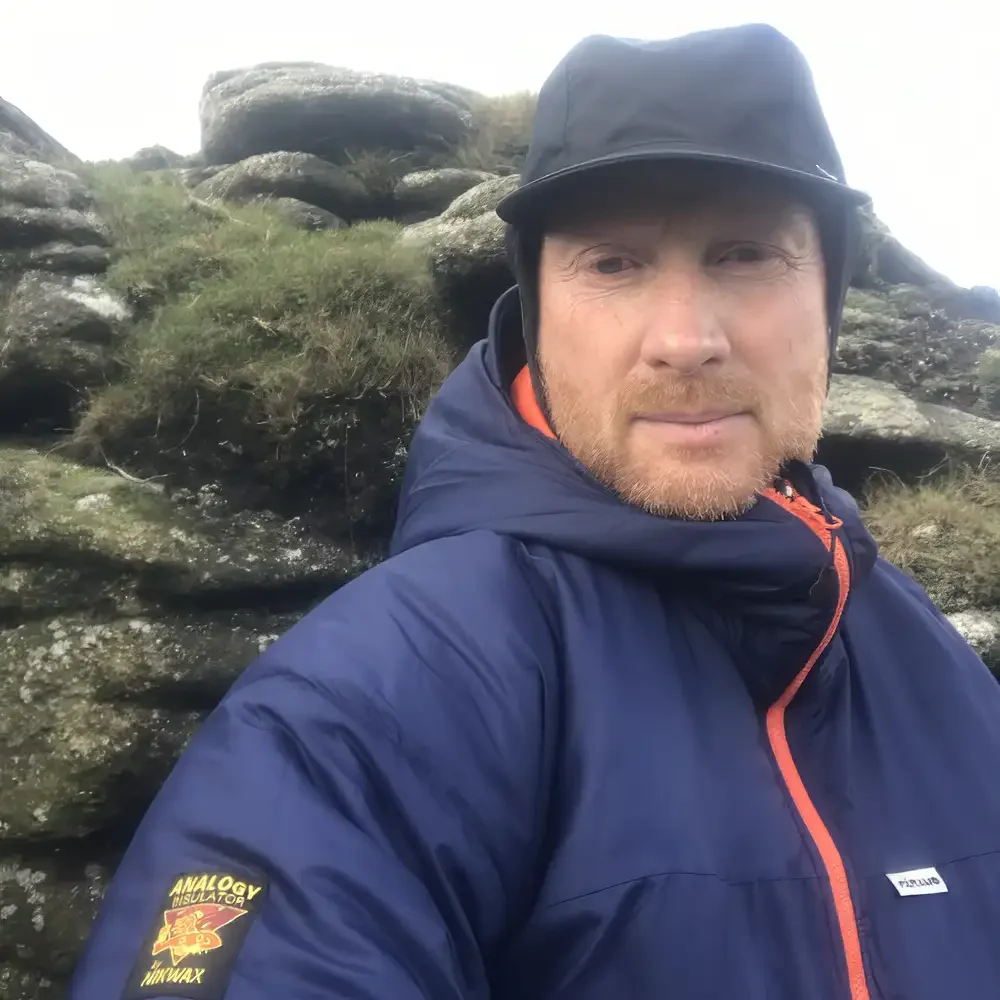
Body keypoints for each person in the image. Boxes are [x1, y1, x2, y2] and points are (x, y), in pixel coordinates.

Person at [69, 23, 1000, 1000]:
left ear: (828, 295)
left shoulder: (928, 666)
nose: (685, 339)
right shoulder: (375, 696)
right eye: (612, 264)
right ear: (535, 311)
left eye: (745, 253)